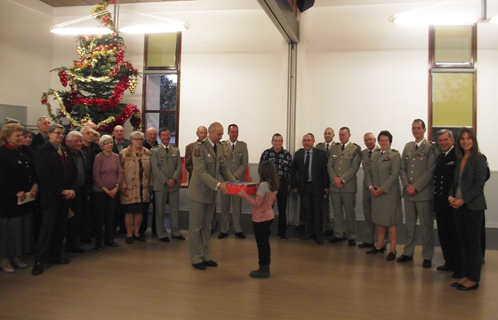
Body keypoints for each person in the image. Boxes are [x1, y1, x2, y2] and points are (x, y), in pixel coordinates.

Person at [188, 122, 237, 270]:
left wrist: (236, 183)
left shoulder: (221, 147)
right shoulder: (199, 148)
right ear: (210, 133)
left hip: (211, 193)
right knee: (196, 227)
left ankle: (205, 256)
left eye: (222, 134)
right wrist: (218, 185)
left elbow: (223, 168)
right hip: (199, 193)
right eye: (219, 134)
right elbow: (201, 171)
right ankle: (196, 258)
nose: (222, 136)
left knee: (207, 225)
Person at [32, 124, 77, 276]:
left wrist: (72, 189)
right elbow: (44, 176)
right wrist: (61, 190)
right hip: (51, 197)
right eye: (57, 133)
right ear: (49, 134)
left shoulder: (64, 151)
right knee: (47, 229)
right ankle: (39, 261)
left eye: (61, 133)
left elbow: (72, 172)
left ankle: (55, 255)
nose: (60, 136)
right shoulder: (41, 151)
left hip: (65, 197)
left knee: (60, 228)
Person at [448, 128, 487, 291]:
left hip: (472, 207)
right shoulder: (459, 158)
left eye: (468, 138)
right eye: (462, 139)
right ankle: (466, 274)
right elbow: (455, 182)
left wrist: (463, 200)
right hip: (457, 206)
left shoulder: (479, 158)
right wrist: (450, 196)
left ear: (473, 140)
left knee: (473, 244)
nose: (465, 141)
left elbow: (479, 185)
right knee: (462, 243)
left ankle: (474, 278)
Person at [397, 119, 437, 268]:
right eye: (413, 128)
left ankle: (427, 256)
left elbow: (430, 170)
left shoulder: (430, 148)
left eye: (418, 128)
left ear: (424, 130)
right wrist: (407, 185)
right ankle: (408, 252)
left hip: (423, 195)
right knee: (410, 226)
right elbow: (402, 169)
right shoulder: (408, 147)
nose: (415, 131)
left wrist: (416, 187)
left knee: (426, 227)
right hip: (409, 194)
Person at [0, 123, 37, 272]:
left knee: (21, 229)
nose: (21, 138)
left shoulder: (24, 151)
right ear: (8, 137)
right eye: (18, 135)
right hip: (9, 199)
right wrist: (14, 191)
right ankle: (4, 258)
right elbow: (2, 177)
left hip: (25, 198)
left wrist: (35, 184)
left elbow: (32, 170)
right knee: (9, 229)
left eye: (21, 135)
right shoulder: (2, 153)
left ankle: (15, 255)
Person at [238, 161, 279, 279]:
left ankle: (263, 269)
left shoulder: (263, 186)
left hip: (260, 218)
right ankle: (266, 265)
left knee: (261, 245)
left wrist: (243, 195)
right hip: (269, 216)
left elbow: (256, 203)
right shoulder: (273, 184)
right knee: (265, 243)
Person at [365, 131, 402, 260]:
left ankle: (392, 250)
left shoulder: (395, 155)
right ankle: (379, 246)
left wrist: (382, 189)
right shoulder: (374, 155)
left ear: (390, 142)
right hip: (376, 193)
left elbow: (394, 174)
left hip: (389, 194)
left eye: (386, 140)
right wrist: (371, 187)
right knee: (379, 221)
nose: (383, 143)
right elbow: (368, 173)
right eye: (381, 140)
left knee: (391, 223)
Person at [291, 133, 329, 244]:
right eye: (304, 140)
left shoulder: (320, 154)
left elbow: (325, 172)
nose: (306, 142)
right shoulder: (298, 154)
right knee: (307, 211)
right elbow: (294, 172)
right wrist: (294, 186)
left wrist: (326, 186)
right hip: (304, 187)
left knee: (318, 211)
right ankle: (309, 232)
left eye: (308, 140)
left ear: (313, 141)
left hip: (317, 186)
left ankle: (318, 235)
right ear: (302, 142)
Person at [433, 129, 462, 278]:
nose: (443, 143)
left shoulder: (457, 155)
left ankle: (458, 266)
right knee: (443, 234)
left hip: (451, 203)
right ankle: (449, 262)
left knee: (454, 236)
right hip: (440, 203)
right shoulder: (440, 156)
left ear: (452, 140)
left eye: (445, 140)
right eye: (440, 140)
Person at [328, 127, 361, 246]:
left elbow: (354, 167)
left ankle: (352, 235)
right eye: (340, 135)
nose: (341, 137)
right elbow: (329, 165)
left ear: (349, 135)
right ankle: (338, 234)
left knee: (349, 212)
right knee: (337, 212)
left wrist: (342, 179)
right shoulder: (334, 148)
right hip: (335, 186)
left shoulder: (355, 149)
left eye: (343, 135)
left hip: (348, 187)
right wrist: (335, 180)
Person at [150, 128, 183, 243]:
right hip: (160, 185)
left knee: (174, 210)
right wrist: (166, 181)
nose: (166, 137)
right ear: (159, 137)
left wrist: (173, 179)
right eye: (163, 135)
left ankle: (175, 232)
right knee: (160, 210)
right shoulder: (154, 151)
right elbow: (155, 169)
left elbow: (179, 166)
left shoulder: (175, 150)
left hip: (174, 185)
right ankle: (161, 233)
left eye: (168, 135)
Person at [119, 131, 153, 244]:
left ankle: (137, 233)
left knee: (139, 211)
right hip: (129, 187)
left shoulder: (147, 153)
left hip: (143, 187)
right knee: (129, 211)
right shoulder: (124, 153)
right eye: (137, 139)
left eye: (141, 139)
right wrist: (122, 184)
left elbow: (151, 171)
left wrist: (151, 184)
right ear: (131, 140)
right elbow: (120, 171)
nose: (139, 141)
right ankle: (129, 233)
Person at [259, 133, 292, 240]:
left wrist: (289, 184)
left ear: (282, 142)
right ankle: (265, 230)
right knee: (268, 208)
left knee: (282, 210)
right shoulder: (266, 154)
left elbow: (291, 171)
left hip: (282, 184)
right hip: (269, 184)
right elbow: (261, 169)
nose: (277, 143)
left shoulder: (287, 154)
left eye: (279, 141)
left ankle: (282, 232)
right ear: (272, 142)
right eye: (275, 141)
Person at [219, 124, 249, 240]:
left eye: (236, 132)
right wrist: (228, 177)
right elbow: (221, 163)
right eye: (232, 132)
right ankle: (224, 229)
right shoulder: (222, 146)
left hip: (237, 181)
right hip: (225, 181)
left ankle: (238, 229)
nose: (235, 134)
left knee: (237, 206)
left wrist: (234, 176)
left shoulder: (243, 145)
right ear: (228, 133)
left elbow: (244, 163)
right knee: (225, 205)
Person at [92, 135, 121, 250]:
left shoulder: (116, 157)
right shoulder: (98, 157)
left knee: (111, 217)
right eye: (106, 143)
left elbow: (119, 172)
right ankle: (99, 242)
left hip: (114, 191)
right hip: (100, 192)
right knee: (99, 217)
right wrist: (106, 190)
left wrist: (116, 187)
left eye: (110, 142)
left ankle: (109, 239)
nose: (109, 145)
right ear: (102, 145)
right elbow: (96, 175)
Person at [65, 131, 92, 254]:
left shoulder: (83, 154)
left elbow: (86, 173)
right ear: (68, 142)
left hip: (81, 191)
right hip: (68, 191)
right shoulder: (65, 154)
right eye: (76, 141)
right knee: (68, 219)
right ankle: (66, 244)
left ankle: (73, 243)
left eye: (80, 141)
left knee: (77, 218)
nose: (79, 143)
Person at [79, 126, 100, 243]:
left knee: (92, 210)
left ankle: (90, 233)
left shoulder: (95, 147)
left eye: (92, 133)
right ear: (82, 135)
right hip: (83, 182)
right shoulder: (79, 147)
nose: (91, 135)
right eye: (88, 133)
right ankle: (81, 235)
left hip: (94, 181)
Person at [358, 132, 379, 249]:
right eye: (366, 140)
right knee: (368, 216)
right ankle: (369, 240)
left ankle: (380, 242)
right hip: (366, 188)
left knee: (379, 217)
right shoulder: (364, 153)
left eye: (370, 139)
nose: (368, 142)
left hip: (377, 189)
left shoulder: (380, 152)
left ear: (375, 140)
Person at [315, 127, 336, 237]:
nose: (327, 135)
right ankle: (327, 227)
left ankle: (338, 230)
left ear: (333, 135)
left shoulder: (338, 147)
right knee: (324, 206)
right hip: (322, 180)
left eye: (329, 133)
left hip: (335, 179)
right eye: (325, 133)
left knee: (337, 207)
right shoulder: (319, 147)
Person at [142, 127, 159, 237]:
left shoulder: (159, 147)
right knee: (144, 206)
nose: (152, 136)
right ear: (146, 135)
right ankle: (142, 229)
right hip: (145, 180)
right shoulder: (142, 147)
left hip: (158, 180)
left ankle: (156, 229)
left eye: (154, 134)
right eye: (150, 134)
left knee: (158, 207)